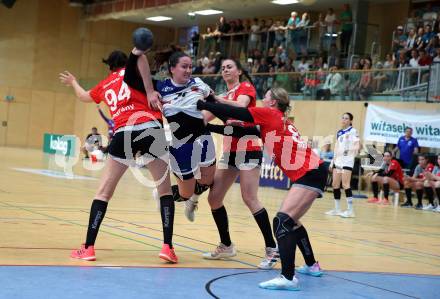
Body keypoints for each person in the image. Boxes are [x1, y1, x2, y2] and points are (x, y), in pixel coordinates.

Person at [197, 87, 327, 291]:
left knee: (282, 221)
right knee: (291, 222)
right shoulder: (276, 119)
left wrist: (204, 105)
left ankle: (287, 277)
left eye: (265, 97)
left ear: (273, 102)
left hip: (310, 172)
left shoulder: (269, 114)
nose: (261, 100)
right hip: (313, 171)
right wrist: (209, 126)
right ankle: (311, 265)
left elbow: (238, 113)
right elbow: (240, 130)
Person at [59, 50, 177, 262]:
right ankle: (167, 247)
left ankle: (88, 248)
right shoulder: (136, 73)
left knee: (103, 193)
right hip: (150, 128)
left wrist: (74, 82)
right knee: (165, 191)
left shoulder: (105, 84)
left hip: (124, 132)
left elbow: (84, 96)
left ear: (109, 67)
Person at [200, 58, 278, 270]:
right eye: (223, 67)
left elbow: (241, 106)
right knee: (214, 198)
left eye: (229, 67)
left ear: (239, 71)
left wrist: (214, 100)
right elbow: (203, 117)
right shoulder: (222, 96)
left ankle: (272, 248)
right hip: (230, 150)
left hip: (248, 147)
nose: (225, 70)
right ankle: (226, 245)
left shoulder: (245, 88)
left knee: (249, 198)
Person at [131, 49, 217, 216]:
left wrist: (206, 118)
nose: (188, 70)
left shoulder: (198, 83)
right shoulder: (161, 88)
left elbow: (214, 102)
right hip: (181, 144)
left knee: (207, 181)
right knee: (185, 193)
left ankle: (194, 200)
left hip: (203, 137)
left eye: (191, 67)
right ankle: (165, 194)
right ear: (172, 69)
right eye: (184, 66)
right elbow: (134, 77)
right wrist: (137, 54)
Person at [326, 112, 360, 218]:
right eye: (343, 118)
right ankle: (337, 209)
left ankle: (350, 210)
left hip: (347, 161)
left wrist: (349, 152)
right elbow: (336, 149)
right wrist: (332, 162)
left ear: (350, 121)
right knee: (335, 185)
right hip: (338, 162)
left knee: (345, 184)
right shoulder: (339, 132)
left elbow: (357, 146)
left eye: (346, 118)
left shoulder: (353, 131)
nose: (344, 120)